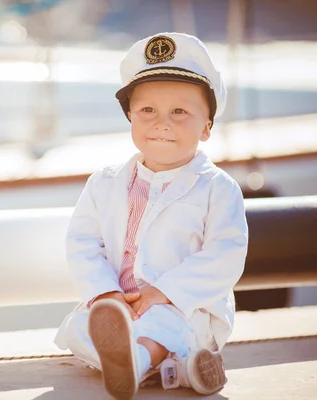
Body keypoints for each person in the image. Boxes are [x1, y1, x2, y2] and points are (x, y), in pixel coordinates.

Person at [53, 32, 249, 399]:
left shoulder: (218, 189)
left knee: (165, 324)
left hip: (186, 306)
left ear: (207, 126)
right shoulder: (105, 182)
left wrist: (164, 292)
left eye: (180, 112)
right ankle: (183, 368)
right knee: (80, 328)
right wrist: (105, 294)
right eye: (148, 111)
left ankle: (138, 363)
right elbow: (82, 242)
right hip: (119, 306)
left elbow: (226, 255)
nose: (162, 123)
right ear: (130, 116)